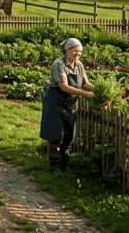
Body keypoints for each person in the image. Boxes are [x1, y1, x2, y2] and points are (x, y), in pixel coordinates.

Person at [40, 37, 94, 175]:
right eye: (75, 51)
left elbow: (85, 83)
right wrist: (84, 94)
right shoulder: (59, 64)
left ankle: (64, 162)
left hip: (70, 104)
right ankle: (54, 165)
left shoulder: (79, 65)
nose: (78, 54)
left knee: (70, 135)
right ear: (67, 50)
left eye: (80, 51)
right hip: (55, 102)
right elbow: (64, 87)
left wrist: (97, 89)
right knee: (55, 135)